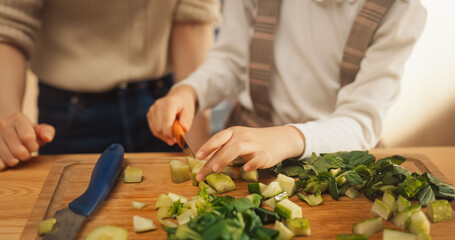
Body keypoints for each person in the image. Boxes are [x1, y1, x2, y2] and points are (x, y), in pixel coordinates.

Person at [147, 0, 427, 182]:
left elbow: (361, 122)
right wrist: (190, 91)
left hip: (337, 166)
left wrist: (287, 138)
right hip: (245, 157)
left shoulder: (401, 10)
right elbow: (232, 60)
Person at [0, 0, 220, 171]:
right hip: (72, 111)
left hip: (164, 103)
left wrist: (199, 148)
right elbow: (8, 22)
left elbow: (193, 15)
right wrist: (8, 127)